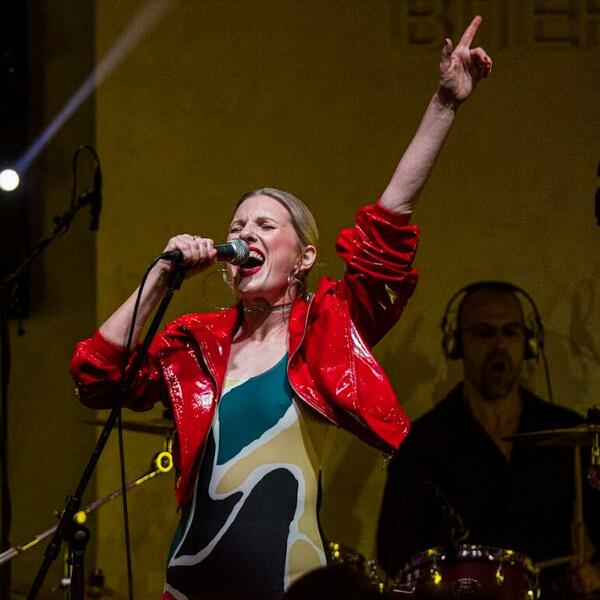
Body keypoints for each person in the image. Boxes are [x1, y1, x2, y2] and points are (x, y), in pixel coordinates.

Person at [70, 17, 492, 600]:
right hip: (188, 585)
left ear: (304, 257)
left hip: (290, 584)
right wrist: (164, 275)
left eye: (266, 225)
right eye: (237, 225)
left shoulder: (329, 325)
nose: (246, 233)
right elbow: (96, 376)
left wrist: (443, 106)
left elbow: (389, 228)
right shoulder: (193, 343)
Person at [377, 281, 600, 599]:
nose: (499, 345)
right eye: (483, 332)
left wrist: (593, 575)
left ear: (528, 343)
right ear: (457, 344)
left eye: (510, 332)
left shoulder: (570, 430)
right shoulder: (422, 444)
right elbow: (395, 557)